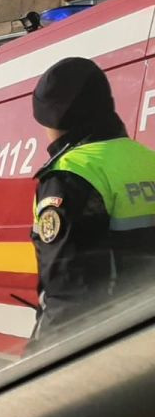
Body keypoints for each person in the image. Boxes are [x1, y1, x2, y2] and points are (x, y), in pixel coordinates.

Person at [29, 57, 155, 341]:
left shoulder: (70, 175)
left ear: (54, 118)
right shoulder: (147, 159)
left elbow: (69, 300)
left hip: (110, 345)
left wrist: (42, 359)